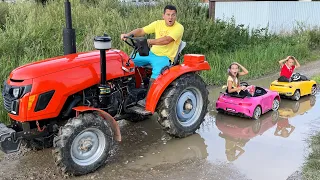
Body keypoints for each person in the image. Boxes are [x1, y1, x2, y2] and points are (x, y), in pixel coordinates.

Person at [120, 5, 184, 107]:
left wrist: (149, 41)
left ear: (176, 16)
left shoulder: (179, 27)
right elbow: (141, 30)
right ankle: (127, 91)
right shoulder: (158, 23)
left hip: (165, 57)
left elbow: (166, 40)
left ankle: (148, 100)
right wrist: (128, 35)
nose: (170, 17)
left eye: (173, 15)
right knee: (128, 62)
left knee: (157, 73)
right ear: (163, 15)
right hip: (151, 53)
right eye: (168, 15)